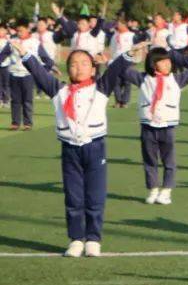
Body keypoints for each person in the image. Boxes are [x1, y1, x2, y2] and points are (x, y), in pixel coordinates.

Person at [7, 38, 137, 256]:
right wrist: (25, 54)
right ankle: (76, 239)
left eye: (84, 63)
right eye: (74, 64)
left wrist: (129, 54)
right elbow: (39, 73)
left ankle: (93, 239)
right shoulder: (59, 91)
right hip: (70, 150)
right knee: (74, 196)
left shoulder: (101, 88)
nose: (79, 67)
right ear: (68, 69)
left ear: (93, 68)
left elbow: (115, 70)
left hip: (95, 148)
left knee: (95, 196)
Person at [127, 48, 188, 205]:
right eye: (162, 61)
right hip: (148, 126)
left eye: (168, 61)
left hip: (168, 126)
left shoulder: (176, 79)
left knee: (169, 161)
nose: (167, 64)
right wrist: (119, 58)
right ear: (153, 64)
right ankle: (153, 188)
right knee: (150, 160)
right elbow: (123, 70)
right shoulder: (143, 79)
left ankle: (166, 190)